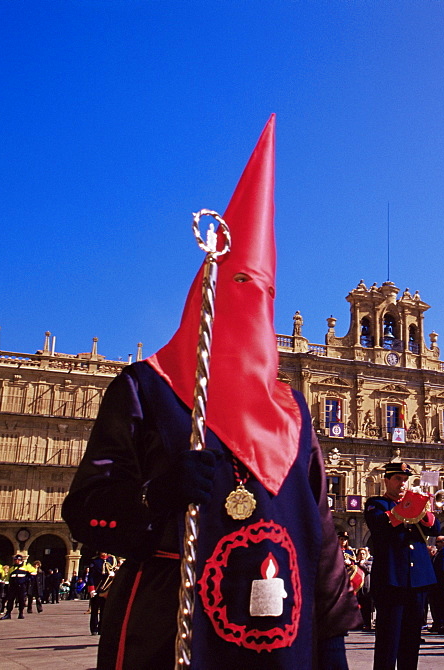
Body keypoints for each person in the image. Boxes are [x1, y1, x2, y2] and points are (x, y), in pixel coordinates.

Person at [62, 117, 359, 669]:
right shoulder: (146, 389)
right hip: (170, 630)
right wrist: (157, 495)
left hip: (284, 637)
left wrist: (333, 643)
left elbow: (321, 539)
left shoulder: (293, 412)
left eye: (263, 291)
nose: (252, 302)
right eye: (239, 284)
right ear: (207, 288)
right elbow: (86, 508)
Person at [364, 461, 441, 669]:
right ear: (386, 480)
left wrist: (421, 508)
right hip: (392, 580)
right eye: (398, 479)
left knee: (411, 642)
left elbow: (435, 528)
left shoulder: (415, 504)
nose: (402, 484)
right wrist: (407, 506)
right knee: (388, 641)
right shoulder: (377, 504)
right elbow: (381, 525)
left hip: (417, 581)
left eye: (405, 480)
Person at [86, 552, 117, 635]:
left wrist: (114, 574)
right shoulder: (95, 561)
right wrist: (91, 589)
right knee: (95, 610)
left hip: (107, 588)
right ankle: (94, 628)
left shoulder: (112, 559)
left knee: (104, 610)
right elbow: (91, 576)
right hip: (97, 587)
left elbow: (115, 569)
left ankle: (101, 628)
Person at [1, 554, 36, 620]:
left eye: (16, 560)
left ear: (20, 560)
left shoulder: (26, 566)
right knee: (10, 600)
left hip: (22, 586)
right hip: (13, 586)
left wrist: (27, 580)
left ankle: (21, 613)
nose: (15, 561)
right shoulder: (12, 568)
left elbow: (34, 573)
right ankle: (8, 613)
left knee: (21, 600)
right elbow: (8, 577)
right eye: (14, 560)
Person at [429, 535, 444, 634]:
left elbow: (442, 568)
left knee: (441, 605)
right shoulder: (438, 553)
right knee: (435, 604)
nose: (436, 544)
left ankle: (443, 624)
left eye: (438, 542)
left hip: (440, 583)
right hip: (435, 583)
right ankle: (437, 623)